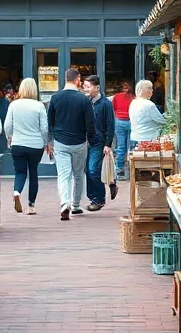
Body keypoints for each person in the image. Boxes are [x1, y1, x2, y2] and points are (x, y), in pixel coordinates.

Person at [47, 67, 96, 220]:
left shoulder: (55, 98)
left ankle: (64, 203)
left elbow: (50, 121)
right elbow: (90, 122)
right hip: (80, 142)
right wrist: (91, 139)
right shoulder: (84, 100)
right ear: (77, 80)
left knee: (63, 175)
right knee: (78, 175)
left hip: (61, 141)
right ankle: (75, 205)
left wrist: (50, 140)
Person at [4, 78, 49, 214]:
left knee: (20, 172)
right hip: (35, 145)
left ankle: (17, 192)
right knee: (33, 173)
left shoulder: (13, 105)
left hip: (18, 143)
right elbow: (44, 128)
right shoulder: (39, 106)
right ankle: (31, 205)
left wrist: (9, 138)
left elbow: (7, 126)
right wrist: (46, 142)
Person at [84, 75, 116, 211]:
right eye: (84, 86)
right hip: (87, 141)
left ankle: (99, 199)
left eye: (88, 86)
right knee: (88, 170)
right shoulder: (86, 102)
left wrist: (108, 144)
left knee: (93, 169)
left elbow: (110, 125)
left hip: (99, 141)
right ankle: (93, 196)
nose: (85, 89)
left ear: (97, 87)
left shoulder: (105, 104)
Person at [129, 79, 167, 144]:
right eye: (151, 89)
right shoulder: (149, 105)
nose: (152, 91)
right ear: (146, 91)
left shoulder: (133, 102)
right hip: (147, 139)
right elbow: (162, 121)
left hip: (134, 137)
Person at [111, 79, 135, 180]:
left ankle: (119, 169)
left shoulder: (116, 97)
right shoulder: (133, 98)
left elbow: (114, 108)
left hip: (119, 121)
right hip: (130, 121)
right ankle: (132, 168)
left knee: (121, 147)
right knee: (132, 146)